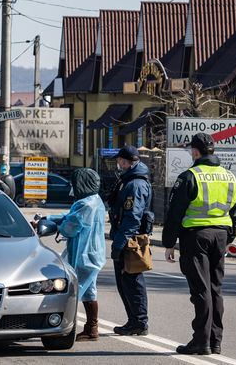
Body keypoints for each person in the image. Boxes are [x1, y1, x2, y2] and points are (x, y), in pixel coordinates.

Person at [162, 133, 236, 356]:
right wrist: (229, 238)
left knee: (201, 291)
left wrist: (169, 243)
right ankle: (215, 341)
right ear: (212, 150)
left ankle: (201, 342)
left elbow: (175, 213)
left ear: (195, 152)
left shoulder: (190, 176)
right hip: (220, 237)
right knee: (215, 290)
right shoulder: (228, 176)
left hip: (196, 237)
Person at [33, 168, 106, 341]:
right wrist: (48, 217)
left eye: (74, 184)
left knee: (69, 294)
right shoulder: (94, 200)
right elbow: (69, 216)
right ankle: (91, 328)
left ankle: (61, 330)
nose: (71, 189)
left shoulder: (84, 205)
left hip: (83, 257)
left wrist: (55, 225)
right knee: (89, 292)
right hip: (93, 255)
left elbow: (69, 227)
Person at [108, 145, 152, 336]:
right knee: (124, 283)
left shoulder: (135, 184)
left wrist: (119, 243)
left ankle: (139, 323)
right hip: (127, 237)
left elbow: (132, 218)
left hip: (131, 240)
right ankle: (133, 321)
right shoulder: (128, 180)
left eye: (120, 159)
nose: (118, 162)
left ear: (128, 161)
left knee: (132, 283)